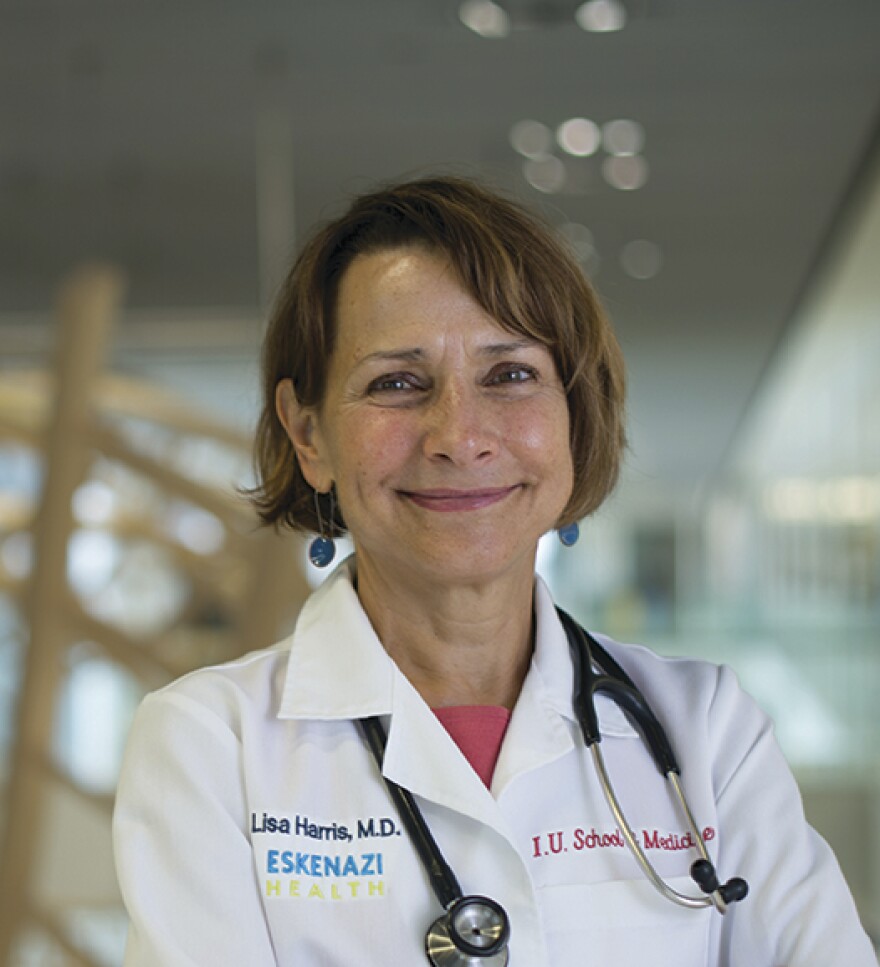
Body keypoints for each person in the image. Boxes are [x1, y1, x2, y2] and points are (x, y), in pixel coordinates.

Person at [113, 176, 876, 966]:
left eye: (509, 374)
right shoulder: (211, 744)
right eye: (397, 383)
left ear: (575, 416)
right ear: (309, 437)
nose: (460, 435)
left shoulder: (709, 731)